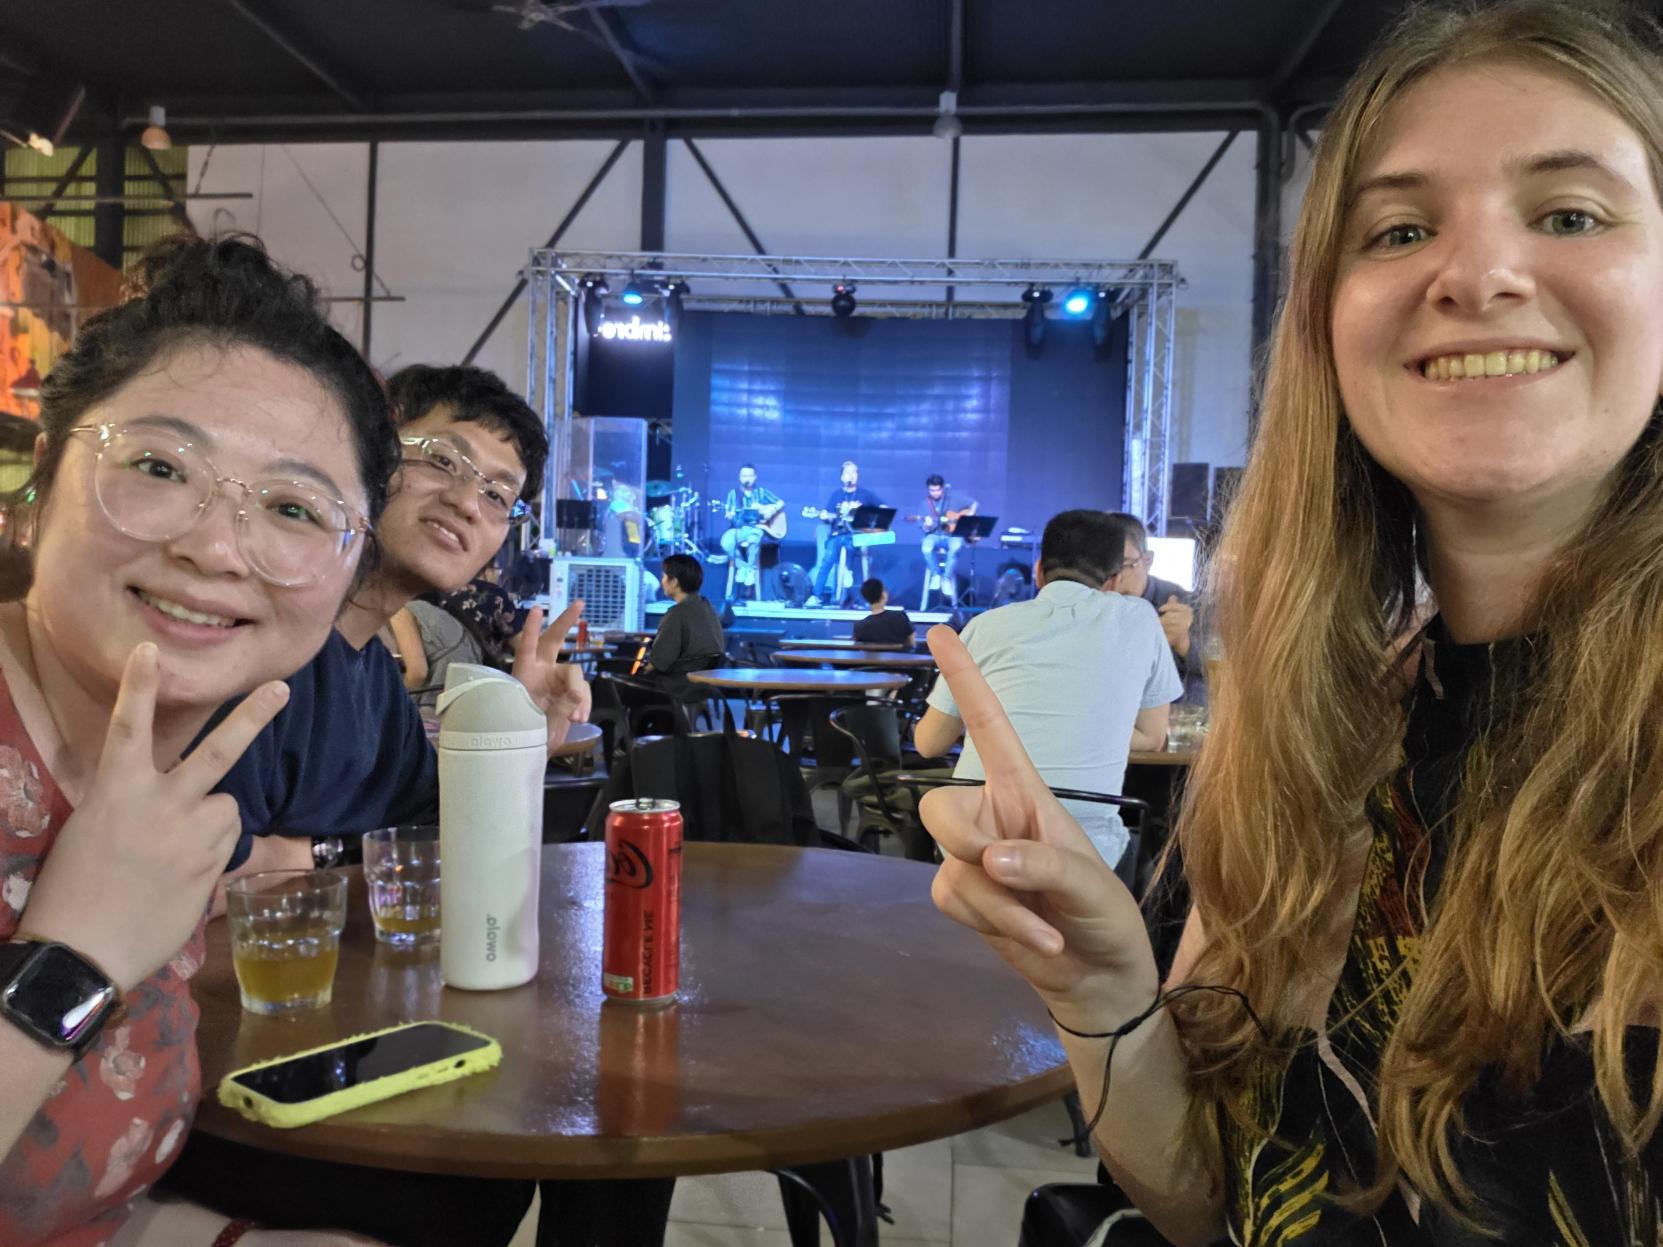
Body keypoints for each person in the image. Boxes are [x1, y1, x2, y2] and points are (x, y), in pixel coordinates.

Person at [920, 4, 1663, 1242]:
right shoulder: (1325, 733)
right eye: (1400, 230)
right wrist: (1104, 991)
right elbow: (1210, 1195)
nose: (1475, 274)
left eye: (1570, 213)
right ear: (1327, 318)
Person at [0, 235, 401, 1246]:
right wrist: (76, 953)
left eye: (292, 507)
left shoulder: (179, 777)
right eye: (158, 465)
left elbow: (78, 1199)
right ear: (42, 478)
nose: (215, 547)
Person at [207, 364, 587, 877]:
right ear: (371, 451)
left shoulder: (376, 684)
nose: (466, 503)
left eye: (497, 496)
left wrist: (517, 738)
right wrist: (329, 854)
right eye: (443, 460)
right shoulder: (253, 647)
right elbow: (193, 879)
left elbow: (438, 833)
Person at [913, 510, 1179, 868]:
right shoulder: (1142, 619)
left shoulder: (984, 626)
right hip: (1086, 853)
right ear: (1115, 580)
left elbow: (929, 744)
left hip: (977, 842)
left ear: (1038, 571)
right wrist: (1086, 722)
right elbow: (1153, 737)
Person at [1107, 511, 1194, 676]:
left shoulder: (1181, 605)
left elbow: (1221, 673)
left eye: (1123, 566)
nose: (1113, 582)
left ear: (1147, 561)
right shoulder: (1086, 602)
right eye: (1103, 569)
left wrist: (1185, 645)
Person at [806, 460, 881, 607]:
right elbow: (829, 517)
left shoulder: (865, 495)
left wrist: (870, 519)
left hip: (857, 535)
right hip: (838, 534)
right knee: (827, 559)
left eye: (854, 472)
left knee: (851, 543)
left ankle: (846, 570)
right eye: (847, 472)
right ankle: (817, 595)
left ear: (857, 475)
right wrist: (824, 516)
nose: (851, 475)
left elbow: (883, 507)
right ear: (842, 477)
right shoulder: (836, 495)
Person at [643, 553, 724, 678]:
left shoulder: (676, 614)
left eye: (663, 577)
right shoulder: (707, 607)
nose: (661, 581)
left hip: (675, 685)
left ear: (674, 582)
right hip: (704, 684)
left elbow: (657, 662)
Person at [916, 474, 978, 610]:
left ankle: (946, 578)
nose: (935, 493)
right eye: (932, 490)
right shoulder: (924, 504)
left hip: (952, 535)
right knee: (926, 547)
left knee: (956, 545)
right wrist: (927, 525)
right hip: (934, 535)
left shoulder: (954, 498)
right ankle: (936, 575)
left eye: (937, 490)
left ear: (942, 488)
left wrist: (967, 517)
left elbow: (974, 503)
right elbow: (924, 528)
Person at [719, 463, 783, 592]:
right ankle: (744, 567)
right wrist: (730, 515)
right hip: (738, 529)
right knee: (726, 542)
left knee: (754, 539)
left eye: (749, 476)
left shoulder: (761, 492)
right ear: (739, 477)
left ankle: (750, 570)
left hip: (756, 528)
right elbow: (729, 512)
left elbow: (781, 502)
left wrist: (770, 510)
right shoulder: (733, 494)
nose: (746, 478)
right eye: (744, 476)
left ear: (755, 477)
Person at [852, 578, 915, 646]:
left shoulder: (859, 627)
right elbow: (911, 644)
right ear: (883, 594)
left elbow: (859, 649)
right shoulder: (900, 616)